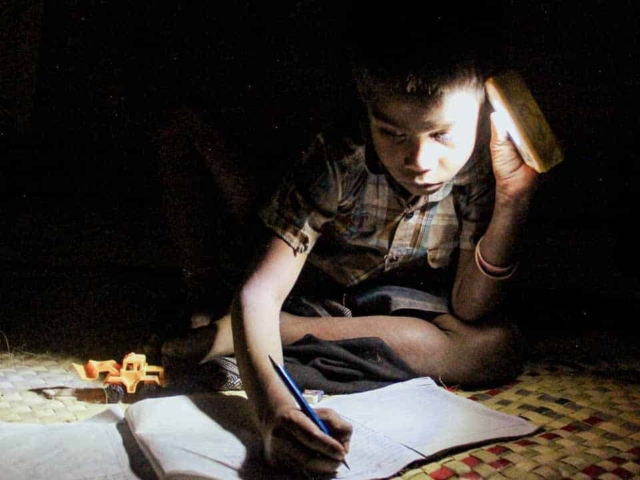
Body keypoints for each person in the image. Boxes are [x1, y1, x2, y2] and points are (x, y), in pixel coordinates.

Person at [160, 1, 540, 476]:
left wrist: (512, 202)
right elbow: (259, 293)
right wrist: (275, 412)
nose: (419, 159)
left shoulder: (481, 167)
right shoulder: (341, 161)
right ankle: (254, 332)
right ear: (367, 109)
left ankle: (269, 335)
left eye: (443, 135)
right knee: (251, 291)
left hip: (391, 302)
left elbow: (470, 309)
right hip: (315, 289)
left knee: (496, 347)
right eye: (392, 132)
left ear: (485, 112)